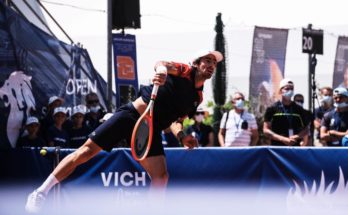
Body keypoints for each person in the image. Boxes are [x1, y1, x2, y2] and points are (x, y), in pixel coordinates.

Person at [25, 50, 223, 213]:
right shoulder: (184, 71)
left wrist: (181, 135)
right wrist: (161, 72)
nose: (211, 65)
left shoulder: (197, 98)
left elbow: (175, 121)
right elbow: (161, 62)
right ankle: (40, 193)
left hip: (150, 129)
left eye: (214, 63)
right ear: (197, 63)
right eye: (207, 60)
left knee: (161, 177)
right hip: (130, 116)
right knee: (84, 153)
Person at [263, 78, 309, 146]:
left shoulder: (299, 109)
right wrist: (282, 139)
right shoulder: (272, 109)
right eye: (287, 89)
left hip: (295, 148)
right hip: (278, 148)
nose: (290, 91)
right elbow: (266, 130)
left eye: (292, 89)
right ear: (280, 91)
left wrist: (297, 136)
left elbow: (306, 129)